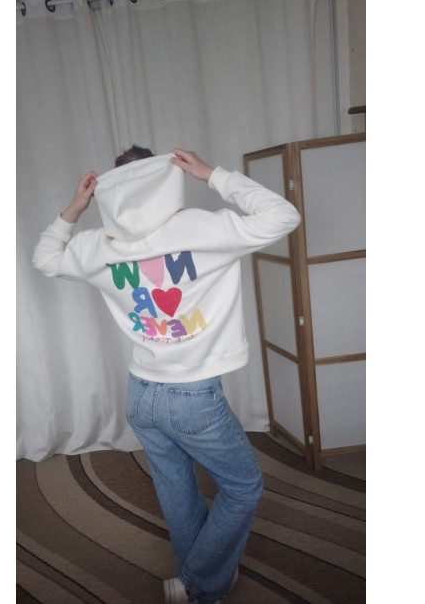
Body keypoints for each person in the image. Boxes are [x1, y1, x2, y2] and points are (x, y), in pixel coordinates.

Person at [33, 146, 301, 604]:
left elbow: (45, 257)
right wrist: (211, 174)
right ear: (167, 175)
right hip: (193, 397)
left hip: (141, 394)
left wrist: (75, 207)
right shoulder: (201, 228)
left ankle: (196, 584)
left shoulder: (98, 245)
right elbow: (283, 215)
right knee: (243, 487)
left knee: (176, 489)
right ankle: (200, 585)